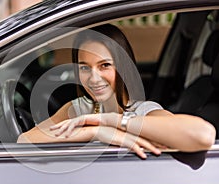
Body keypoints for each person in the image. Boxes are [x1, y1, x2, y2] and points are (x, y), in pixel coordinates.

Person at [17, 24, 216, 159]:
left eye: (104, 65)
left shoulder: (143, 111)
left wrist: (113, 121)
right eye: (85, 67)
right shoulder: (80, 108)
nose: (93, 78)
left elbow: (204, 135)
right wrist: (95, 132)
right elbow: (24, 140)